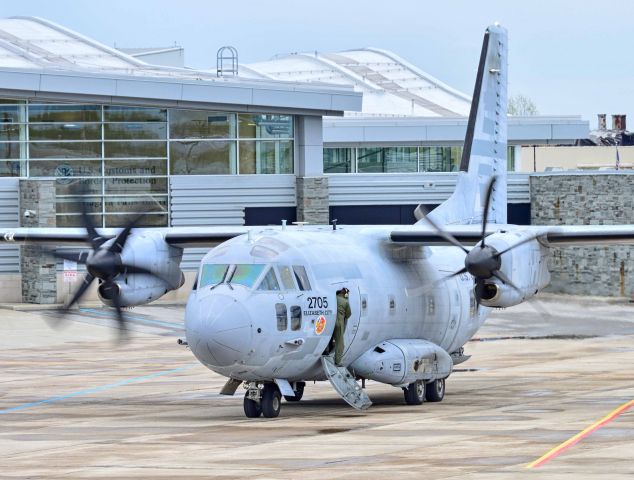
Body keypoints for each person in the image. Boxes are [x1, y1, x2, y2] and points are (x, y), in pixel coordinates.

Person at [334, 287, 351, 367]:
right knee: (340, 344)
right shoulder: (345, 301)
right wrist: (347, 299)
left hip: (330, 322)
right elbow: (348, 314)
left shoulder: (334, 299)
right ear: (345, 294)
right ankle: (337, 361)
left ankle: (326, 350)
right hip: (339, 323)